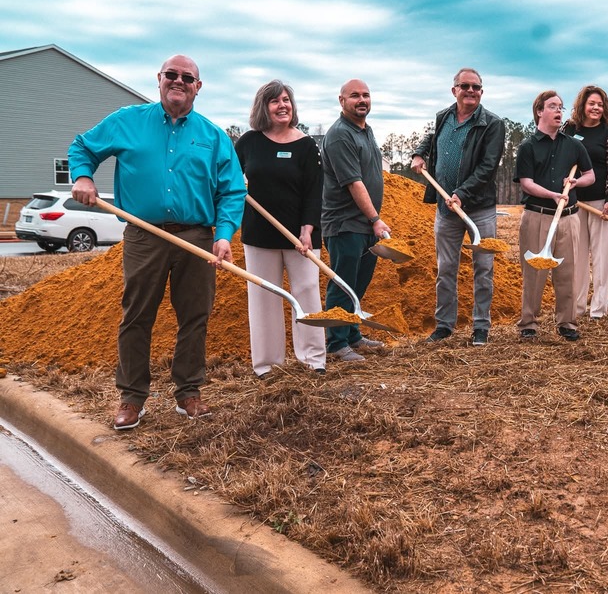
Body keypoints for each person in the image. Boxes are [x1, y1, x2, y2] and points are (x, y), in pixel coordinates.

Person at [68, 55, 246, 430]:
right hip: (144, 234)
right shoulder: (128, 121)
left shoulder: (213, 137)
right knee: (137, 315)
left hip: (196, 237)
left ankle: (188, 392)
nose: (178, 81)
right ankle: (132, 398)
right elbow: (83, 147)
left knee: (194, 317)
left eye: (187, 77)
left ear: (198, 86)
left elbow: (233, 191)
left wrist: (224, 235)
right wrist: (83, 177)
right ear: (159, 79)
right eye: (171, 75)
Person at [235, 80, 326, 378]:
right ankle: (267, 365)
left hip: (302, 237)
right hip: (259, 236)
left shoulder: (306, 145)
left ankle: (313, 361)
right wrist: (237, 185)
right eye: (275, 101)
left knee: (308, 293)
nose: (282, 105)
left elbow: (315, 191)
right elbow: (231, 179)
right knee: (264, 298)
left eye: (286, 99)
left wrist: (307, 229)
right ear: (264, 107)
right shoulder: (248, 143)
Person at [411, 68, 505, 346]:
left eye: (476, 87)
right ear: (455, 90)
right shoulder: (444, 116)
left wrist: (462, 194)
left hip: (479, 208)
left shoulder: (492, 124)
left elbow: (488, 167)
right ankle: (444, 324)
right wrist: (419, 152)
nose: (471, 91)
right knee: (446, 267)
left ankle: (480, 326)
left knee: (483, 267)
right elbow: (431, 137)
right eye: (465, 86)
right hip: (445, 208)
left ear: (481, 92)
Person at [515, 91, 594, 341]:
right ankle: (529, 323)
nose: (559, 111)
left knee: (568, 272)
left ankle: (567, 323)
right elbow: (526, 183)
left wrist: (576, 181)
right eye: (553, 106)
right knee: (534, 273)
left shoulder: (574, 145)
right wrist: (551, 194)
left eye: (561, 107)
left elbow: (590, 175)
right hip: (537, 216)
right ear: (539, 111)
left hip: (569, 218)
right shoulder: (527, 146)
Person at [321, 79, 389, 363]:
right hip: (344, 223)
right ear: (341, 101)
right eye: (354, 96)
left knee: (359, 283)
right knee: (343, 283)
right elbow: (353, 182)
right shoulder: (339, 135)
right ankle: (336, 344)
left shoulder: (365, 130)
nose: (361, 100)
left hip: (364, 225)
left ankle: (352, 335)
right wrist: (375, 218)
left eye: (366, 95)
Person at [561, 85, 608, 320]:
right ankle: (576, 308)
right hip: (576, 203)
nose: (596, 107)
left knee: (601, 256)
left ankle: (598, 309)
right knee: (577, 257)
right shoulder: (569, 129)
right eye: (591, 103)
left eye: (600, 104)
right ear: (582, 105)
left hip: (601, 203)